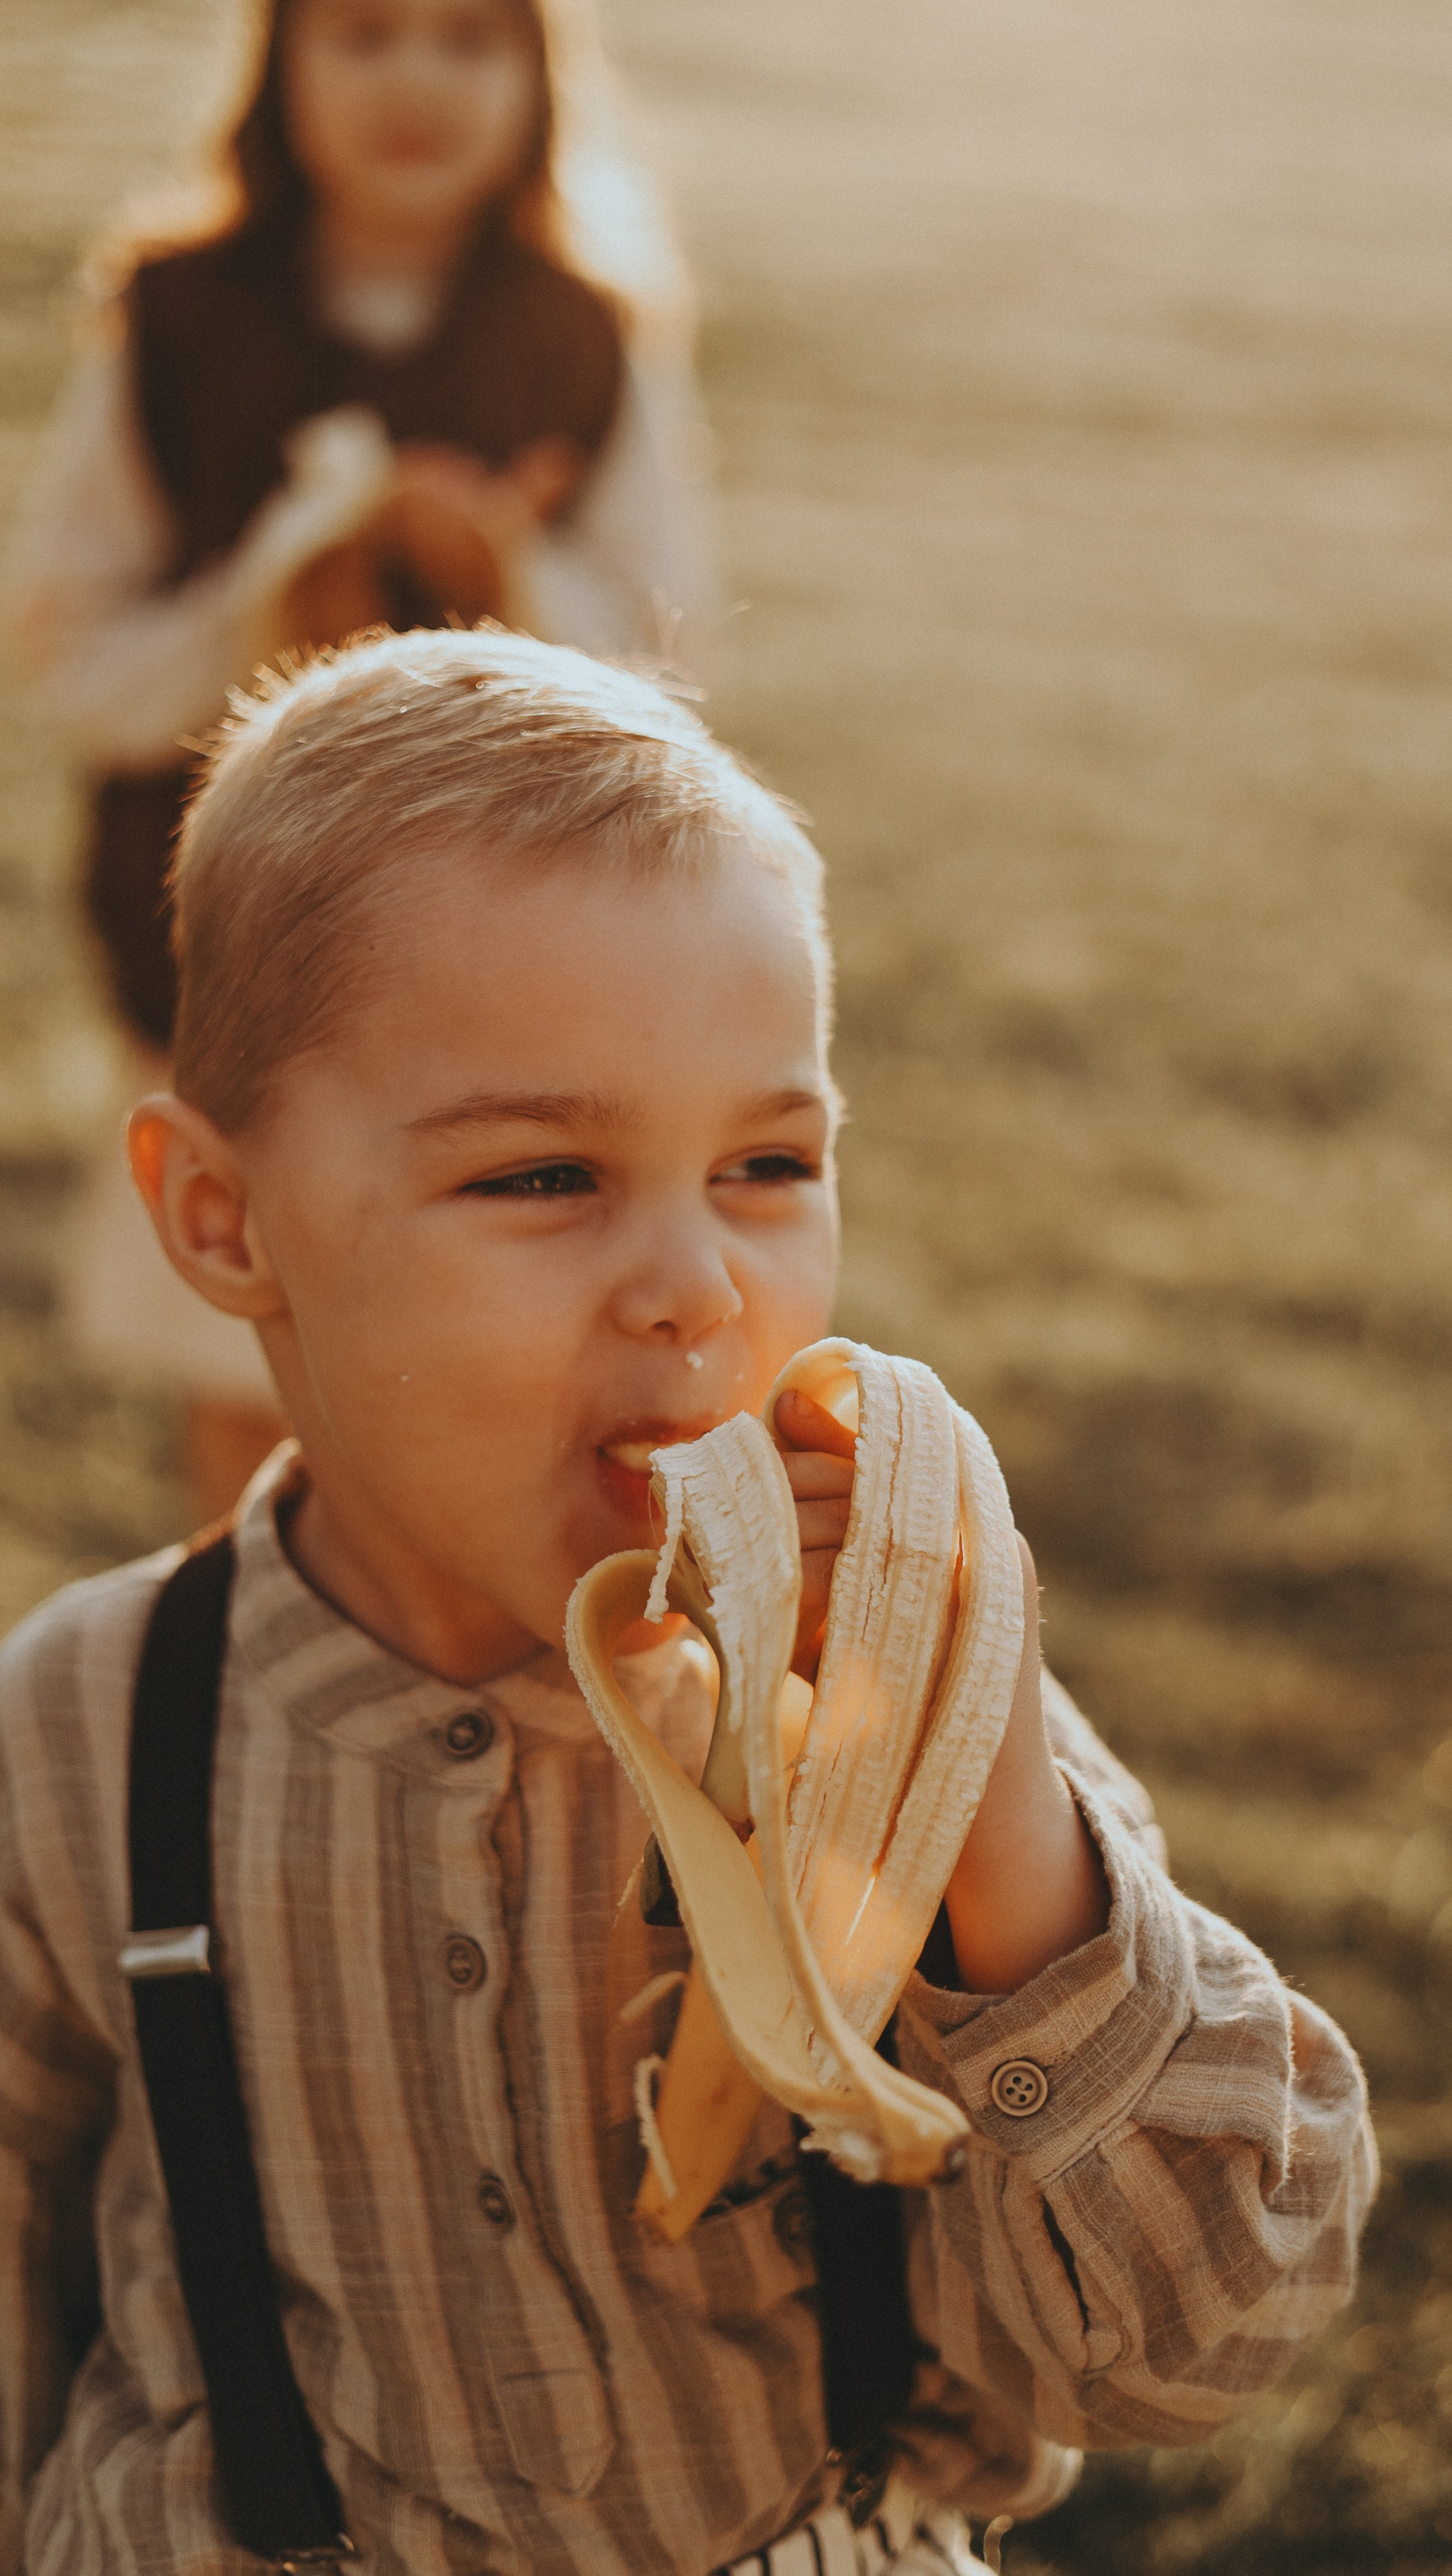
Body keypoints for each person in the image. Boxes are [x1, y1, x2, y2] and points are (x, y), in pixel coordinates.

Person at [0, 631, 1376, 2575]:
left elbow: (1191, 2360)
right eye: (546, 1175)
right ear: (227, 1221)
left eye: (765, 1165)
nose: (695, 1288)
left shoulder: (892, 1717)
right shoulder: (80, 1740)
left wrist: (996, 1841)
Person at [3, 0, 715, 1523]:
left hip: (509, 975)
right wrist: (273, 587)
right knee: (244, 1371)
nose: (415, 79)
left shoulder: (585, 330)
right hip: (223, 948)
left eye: (468, 39)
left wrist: (504, 573)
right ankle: (251, 1705)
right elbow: (66, 650)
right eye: (365, 32)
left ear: (537, 71)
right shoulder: (177, 316)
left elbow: (672, 658)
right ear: (280, 63)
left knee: (469, 1390)